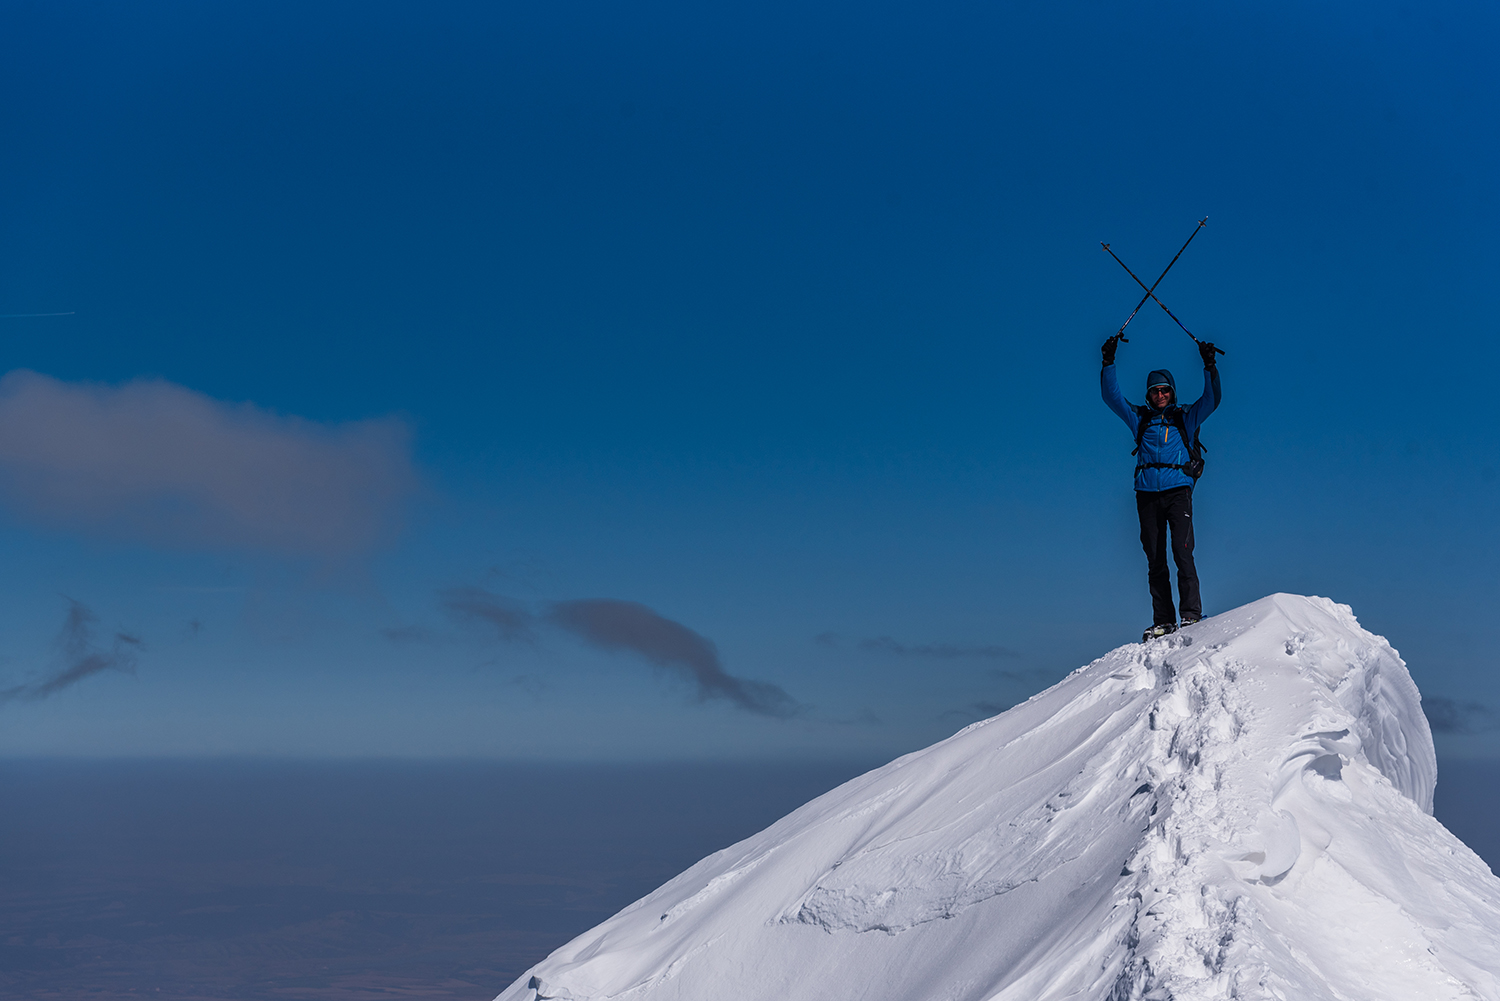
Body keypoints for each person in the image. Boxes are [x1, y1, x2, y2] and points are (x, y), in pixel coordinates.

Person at [1100, 336, 1222, 640]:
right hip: (1146, 496)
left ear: (1172, 392)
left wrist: (1209, 365)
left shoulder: (1185, 418)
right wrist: (1108, 362)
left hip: (1178, 492)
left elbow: (1212, 400)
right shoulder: (1140, 419)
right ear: (1149, 395)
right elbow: (1112, 396)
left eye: (1165, 390)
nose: (1161, 395)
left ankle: (1191, 615)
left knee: (1182, 552)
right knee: (1155, 558)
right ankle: (1164, 620)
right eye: (1155, 392)